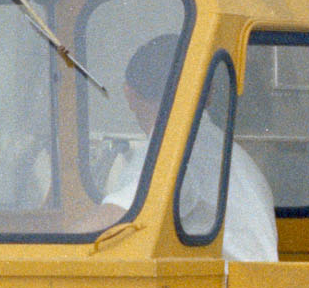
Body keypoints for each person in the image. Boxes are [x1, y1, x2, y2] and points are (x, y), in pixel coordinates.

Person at [99, 40, 275, 264]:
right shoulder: (225, 149)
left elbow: (116, 219)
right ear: (208, 94)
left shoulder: (174, 149)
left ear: (129, 95)